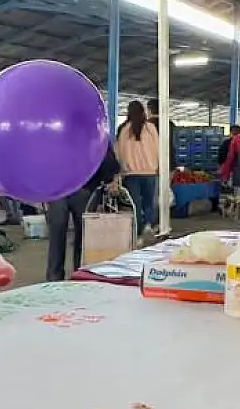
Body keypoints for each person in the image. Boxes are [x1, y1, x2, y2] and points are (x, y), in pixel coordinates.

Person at [45, 145, 121, 282]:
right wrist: (107, 177)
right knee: (84, 234)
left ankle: (54, 276)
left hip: (57, 186)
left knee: (57, 232)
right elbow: (105, 154)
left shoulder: (54, 127)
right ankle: (80, 274)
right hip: (84, 186)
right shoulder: (90, 128)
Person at [115, 99, 160, 238]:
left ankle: (138, 231)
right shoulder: (150, 128)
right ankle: (148, 226)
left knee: (136, 205)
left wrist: (122, 170)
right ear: (143, 112)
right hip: (149, 172)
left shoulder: (124, 130)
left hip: (131, 174)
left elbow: (119, 153)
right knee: (149, 202)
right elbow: (158, 149)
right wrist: (157, 166)